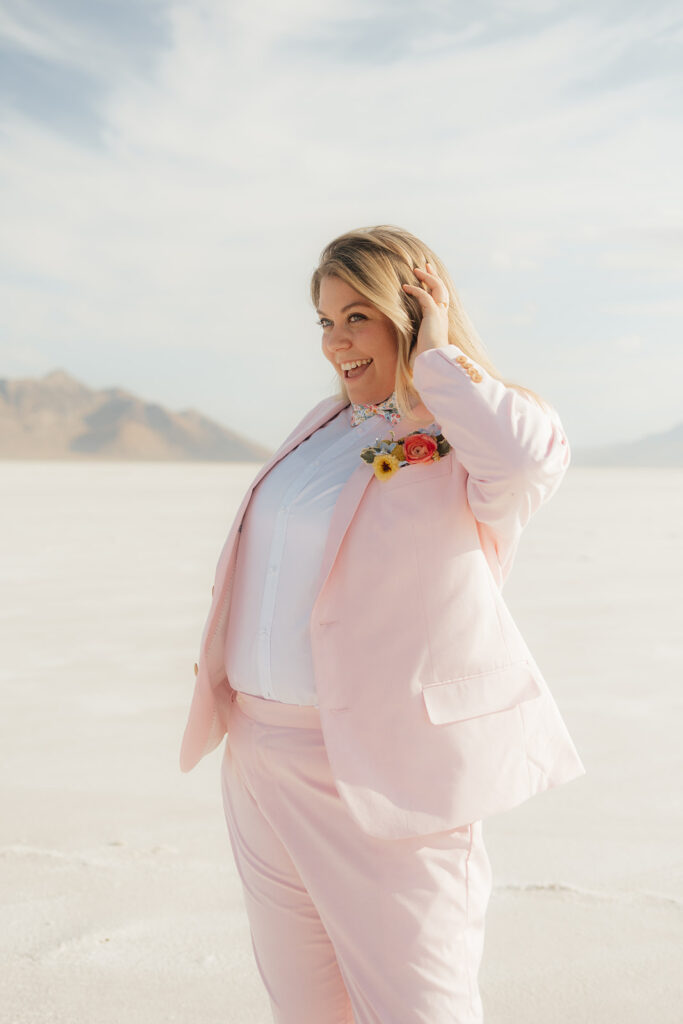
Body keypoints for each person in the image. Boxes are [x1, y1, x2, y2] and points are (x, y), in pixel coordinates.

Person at [179, 224, 586, 1023]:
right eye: (325, 323)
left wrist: (437, 360)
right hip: (263, 759)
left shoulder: (480, 429)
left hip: (383, 771)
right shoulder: (323, 427)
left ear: (412, 308)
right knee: (304, 1004)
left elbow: (524, 463)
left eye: (357, 316)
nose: (336, 342)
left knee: (415, 1007)